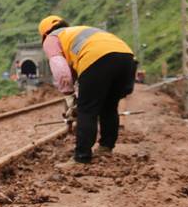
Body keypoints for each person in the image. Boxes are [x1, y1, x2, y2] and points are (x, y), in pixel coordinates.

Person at [38, 15, 137, 164]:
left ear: (44, 34)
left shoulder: (51, 38)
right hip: (127, 58)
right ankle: (106, 147)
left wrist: (69, 95)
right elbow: (77, 71)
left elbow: (60, 69)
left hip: (97, 58)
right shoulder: (78, 33)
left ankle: (81, 157)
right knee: (109, 107)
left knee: (87, 110)